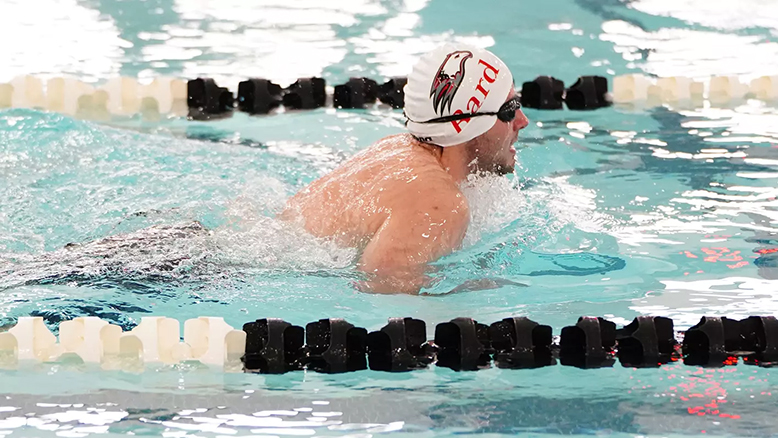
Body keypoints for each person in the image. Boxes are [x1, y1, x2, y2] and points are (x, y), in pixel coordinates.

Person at [279, 44, 530, 294]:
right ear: (469, 124)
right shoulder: (438, 206)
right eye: (509, 111)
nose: (523, 121)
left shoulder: (396, 148)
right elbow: (384, 295)